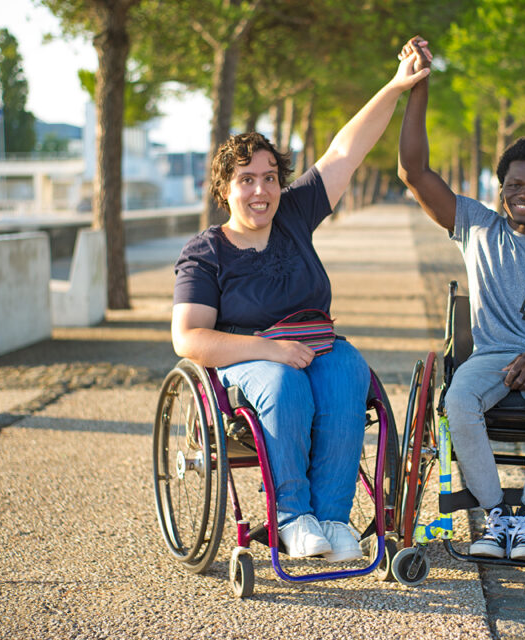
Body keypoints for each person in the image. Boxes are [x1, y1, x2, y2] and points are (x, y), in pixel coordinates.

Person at [171, 40, 431, 562]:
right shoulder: (206, 252)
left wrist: (398, 85)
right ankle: (291, 517)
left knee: (346, 372)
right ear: (224, 189)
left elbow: (344, 150)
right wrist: (270, 350)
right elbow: (190, 339)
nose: (261, 191)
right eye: (246, 180)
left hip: (315, 347)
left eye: (269, 178)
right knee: (286, 382)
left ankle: (332, 520)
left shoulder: (292, 216)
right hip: (247, 363)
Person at [397, 38, 525, 562]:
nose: (524, 193)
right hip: (488, 358)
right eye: (514, 184)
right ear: (501, 189)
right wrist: (417, 86)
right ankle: (496, 520)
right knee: (457, 400)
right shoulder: (479, 229)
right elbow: (413, 173)